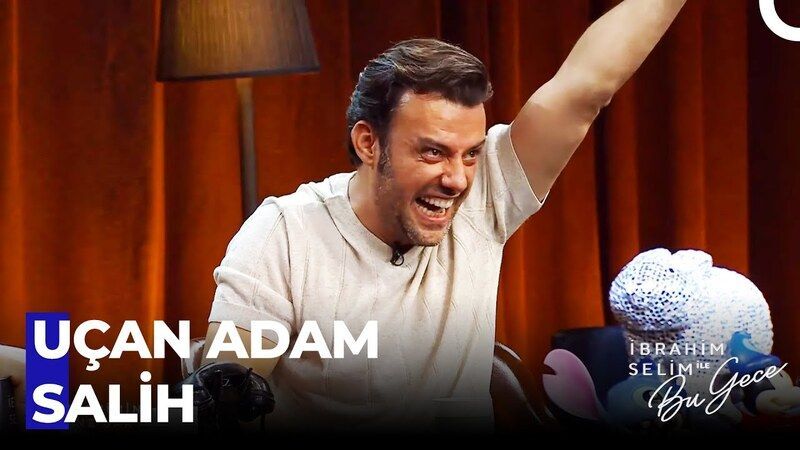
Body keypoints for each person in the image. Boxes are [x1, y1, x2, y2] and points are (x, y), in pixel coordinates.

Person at [201, 0, 689, 432]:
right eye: (433, 152)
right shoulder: (285, 233)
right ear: (369, 143)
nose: (457, 180)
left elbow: (587, 87)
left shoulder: (488, 191)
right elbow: (229, 387)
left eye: (471, 153)